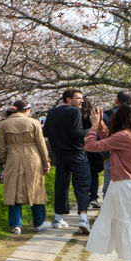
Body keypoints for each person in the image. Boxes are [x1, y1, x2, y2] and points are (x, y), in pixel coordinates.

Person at [84, 103, 131, 261]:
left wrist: (93, 127)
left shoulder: (124, 136)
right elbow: (111, 140)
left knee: (128, 228)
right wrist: (101, 126)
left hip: (124, 187)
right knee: (130, 226)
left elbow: (91, 146)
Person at [0, 101, 51, 234]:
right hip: (33, 157)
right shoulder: (34, 123)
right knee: (36, 188)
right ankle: (38, 223)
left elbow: (1, 148)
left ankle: (16, 225)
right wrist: (46, 163)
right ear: (26, 109)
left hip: (13, 157)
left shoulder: (3, 124)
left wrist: (4, 162)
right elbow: (41, 145)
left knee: (13, 190)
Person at [43, 88, 92, 231]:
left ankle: (58, 218)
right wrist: (91, 129)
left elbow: (45, 132)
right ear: (68, 99)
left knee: (61, 185)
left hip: (60, 154)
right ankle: (83, 218)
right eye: (78, 98)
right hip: (76, 153)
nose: (81, 101)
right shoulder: (74, 111)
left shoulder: (52, 112)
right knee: (82, 185)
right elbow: (76, 133)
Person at [100, 91, 131, 200]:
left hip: (110, 152)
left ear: (116, 101)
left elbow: (102, 136)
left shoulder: (107, 114)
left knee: (109, 182)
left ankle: (108, 207)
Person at [83, 97, 105, 213]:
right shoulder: (92, 116)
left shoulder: (77, 115)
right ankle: (93, 197)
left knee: (83, 174)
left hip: (80, 148)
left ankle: (84, 198)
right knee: (93, 174)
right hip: (93, 147)